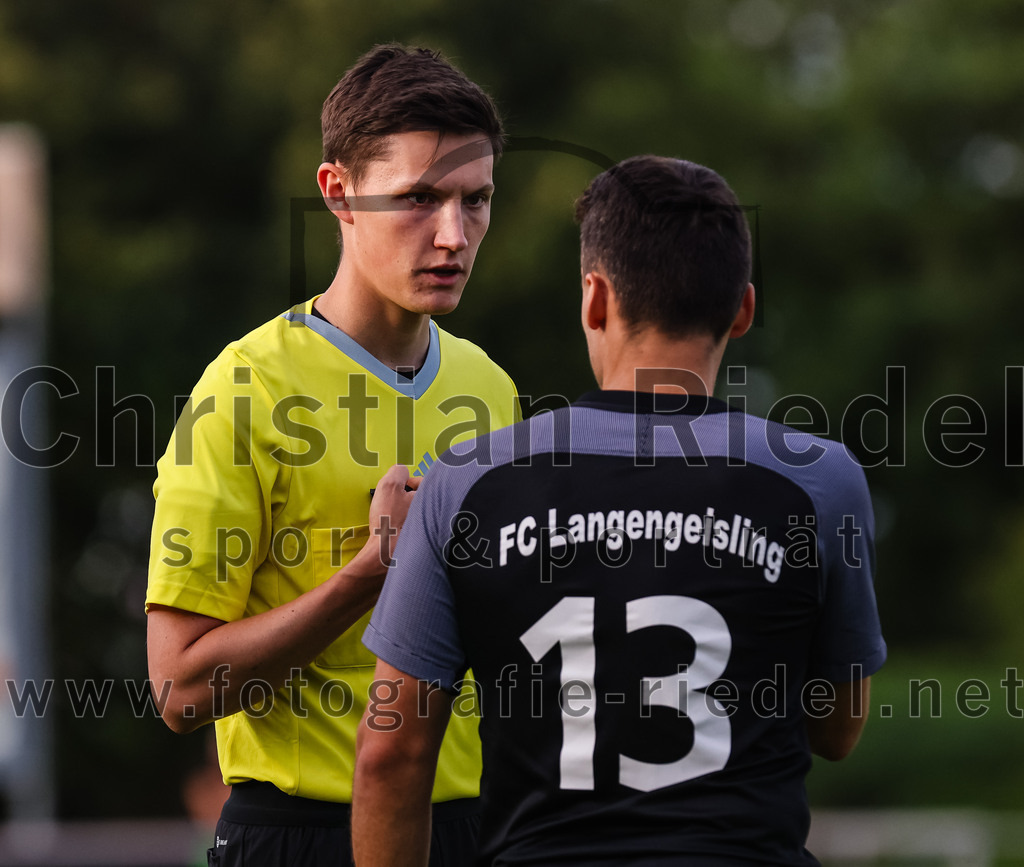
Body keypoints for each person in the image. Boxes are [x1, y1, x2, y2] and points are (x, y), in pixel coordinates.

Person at [352, 155, 886, 866]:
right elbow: (837, 729)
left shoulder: (467, 482)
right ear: (743, 309)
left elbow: (392, 752)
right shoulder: (821, 480)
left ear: (594, 298)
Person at [146, 44, 520, 867]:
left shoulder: (490, 388)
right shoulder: (243, 388)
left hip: (471, 830)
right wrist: (369, 573)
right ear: (337, 193)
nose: (454, 234)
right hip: (299, 835)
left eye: (476, 199)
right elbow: (178, 690)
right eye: (419, 198)